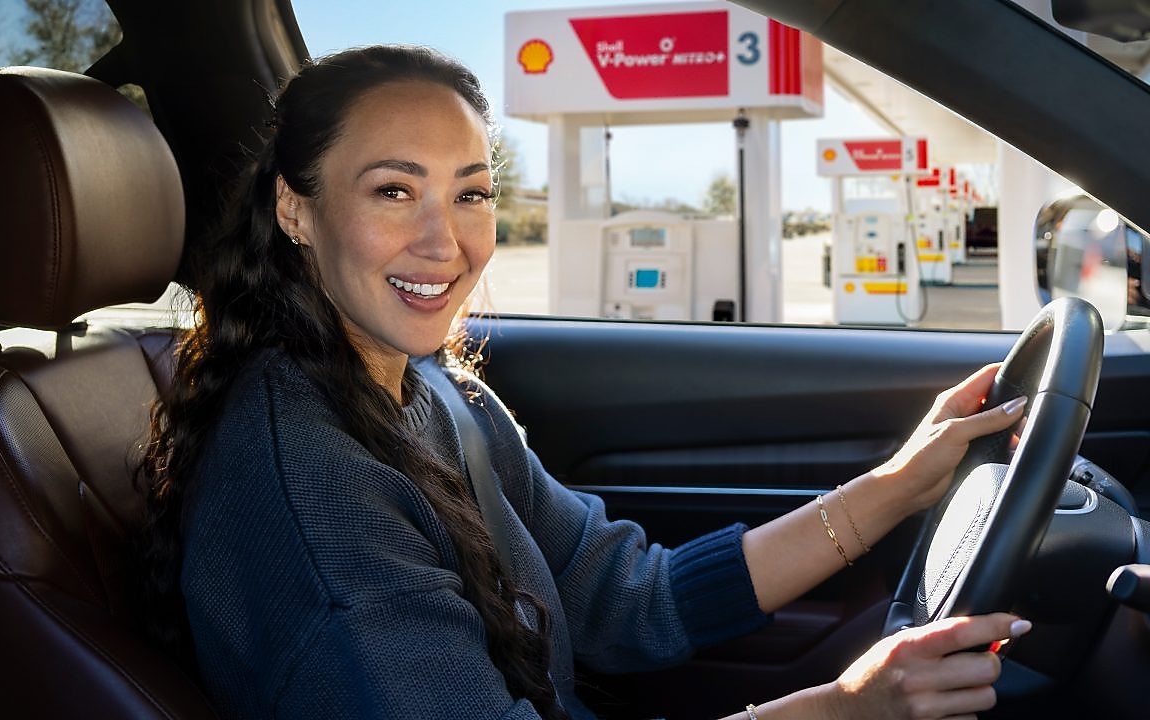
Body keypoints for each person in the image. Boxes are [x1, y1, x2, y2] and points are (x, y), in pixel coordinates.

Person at [139, 44, 1031, 720]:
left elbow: (626, 596)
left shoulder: (430, 389)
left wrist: (899, 484)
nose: (446, 243)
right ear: (296, 208)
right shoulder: (310, 482)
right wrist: (843, 708)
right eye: (393, 191)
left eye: (473, 194)